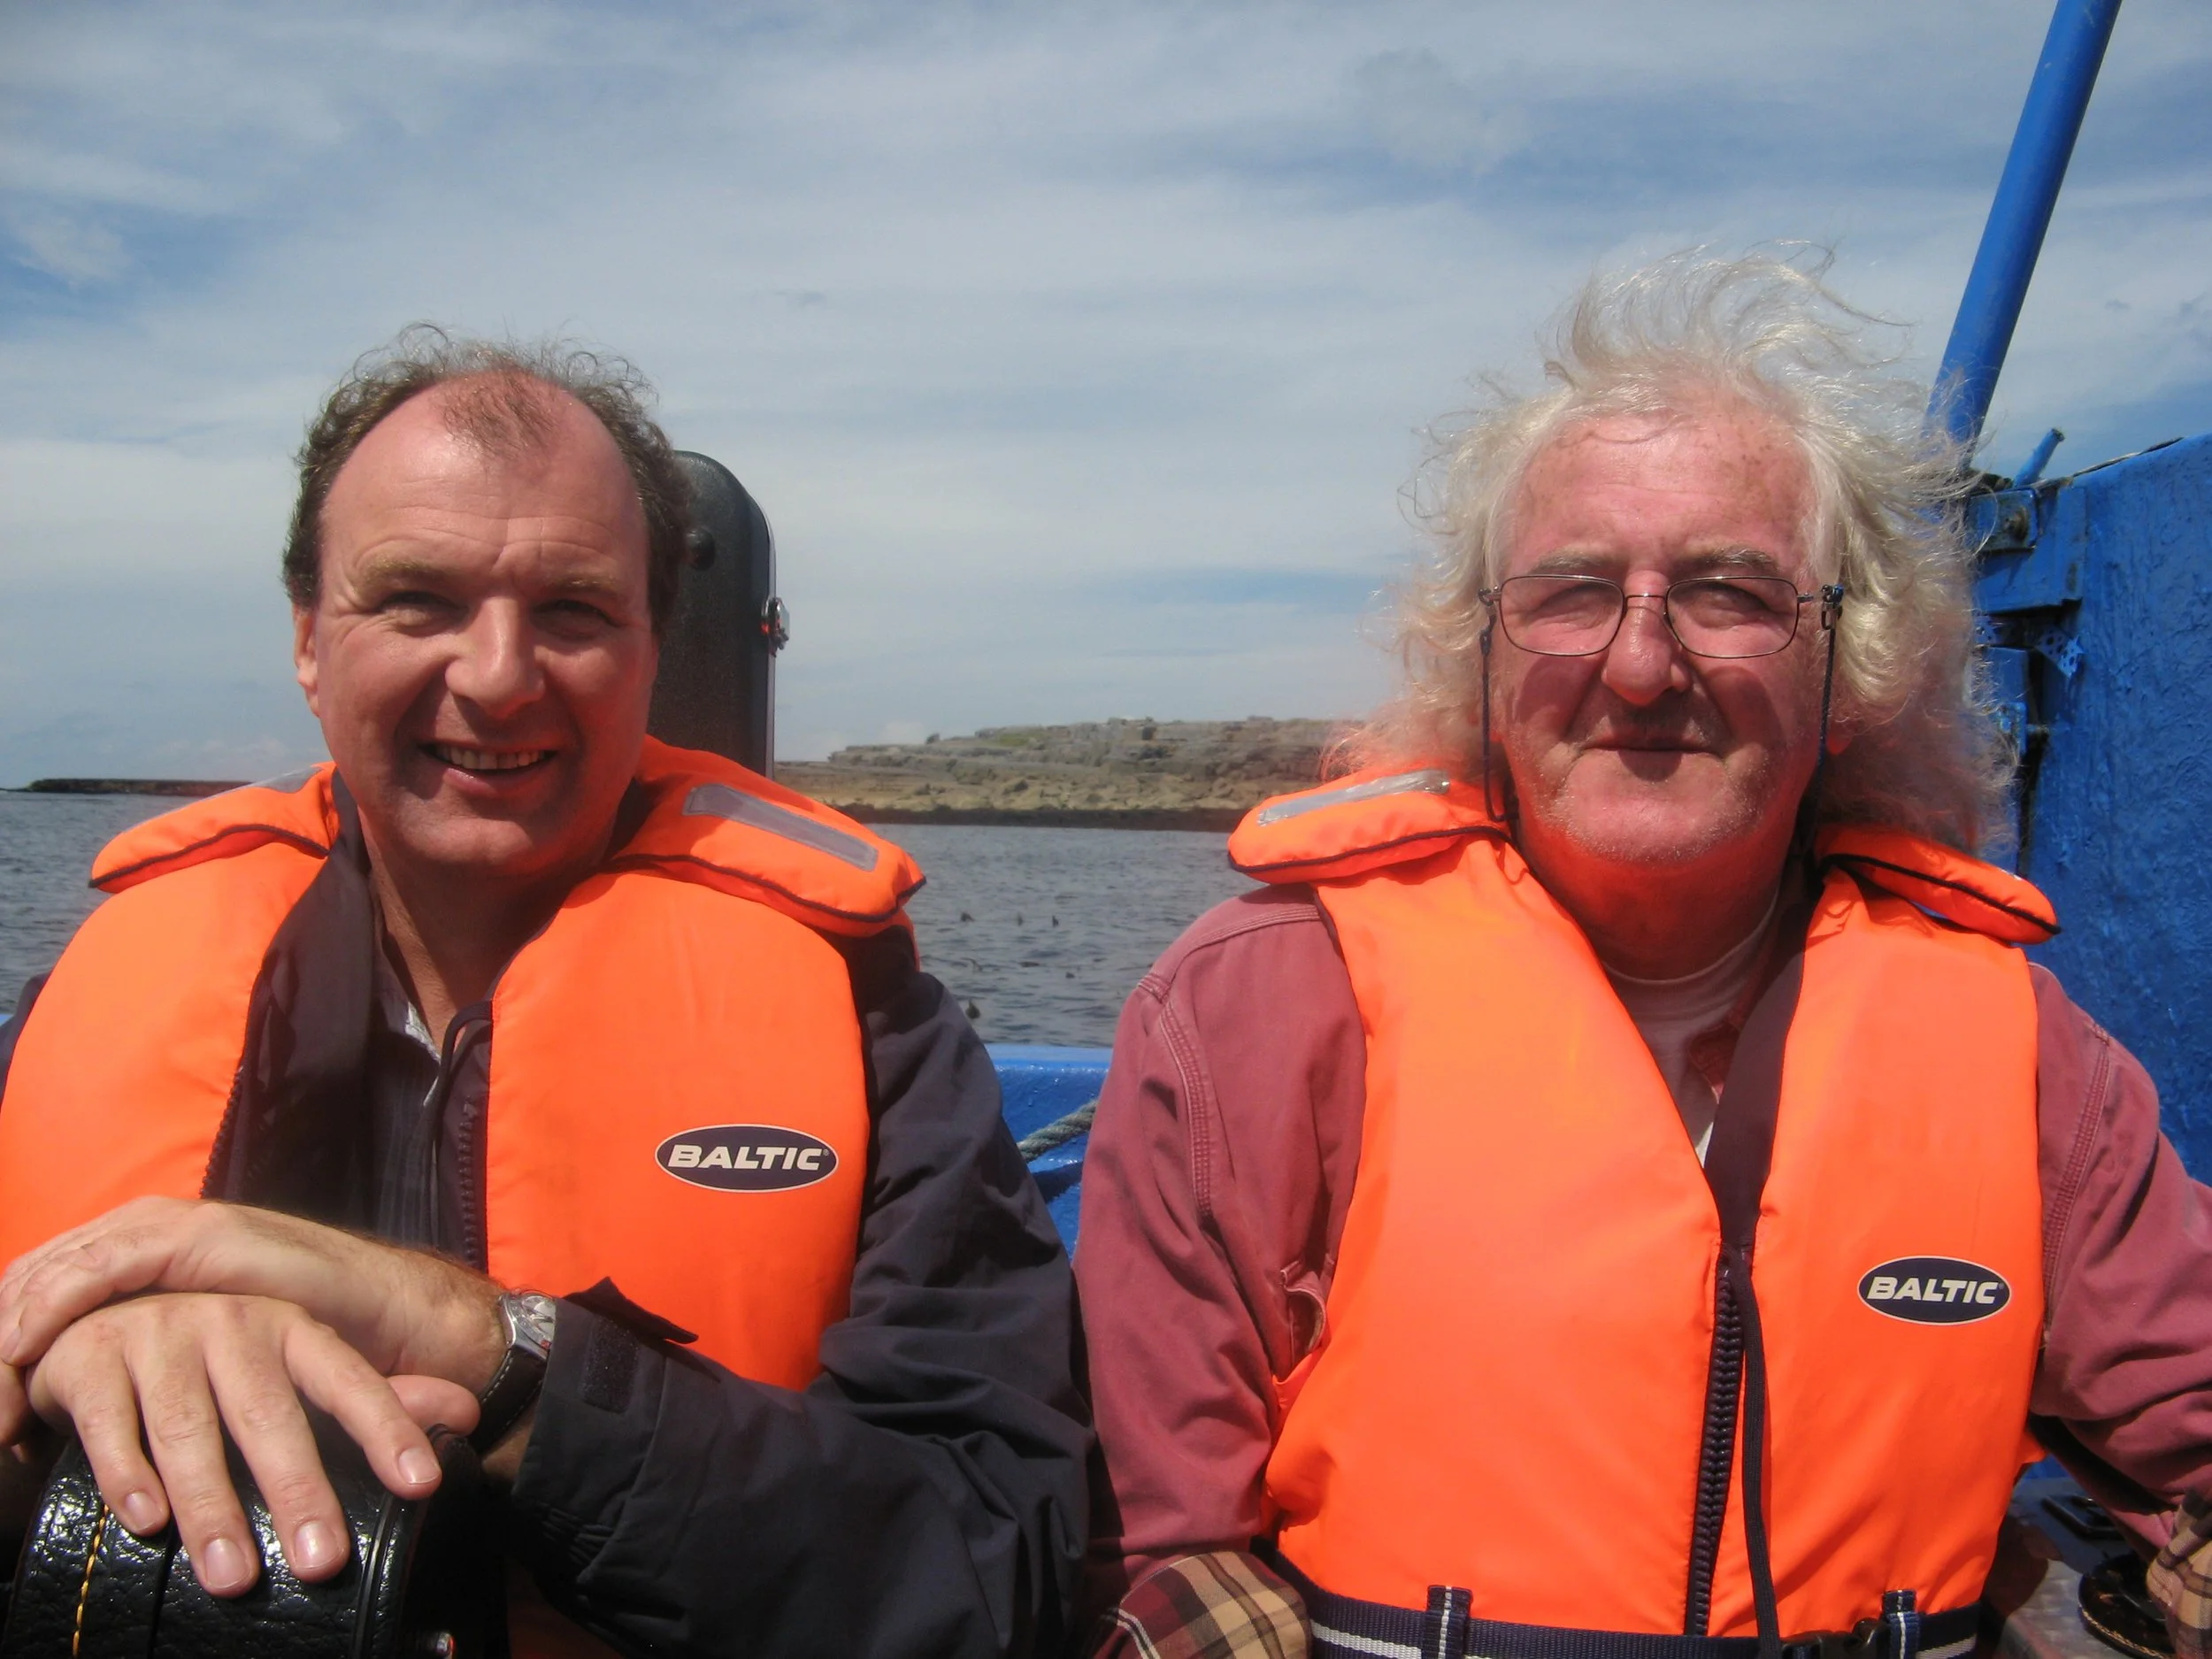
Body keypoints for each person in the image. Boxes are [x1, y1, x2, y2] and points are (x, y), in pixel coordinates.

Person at [1074, 255, 2212, 1659]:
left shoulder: (2017, 1048)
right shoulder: (1258, 1008)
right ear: (1487, 654)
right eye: (1571, 593)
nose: (1638, 662)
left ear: (1850, 670)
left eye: (1733, 592)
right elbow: (1152, 1515)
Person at [0, 331, 1089, 1657]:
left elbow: (991, 1562)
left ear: (653, 643)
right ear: (307, 637)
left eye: (572, 609)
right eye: (418, 599)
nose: (499, 674)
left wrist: (497, 1357)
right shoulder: (79, 1002)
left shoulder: (873, 1030)